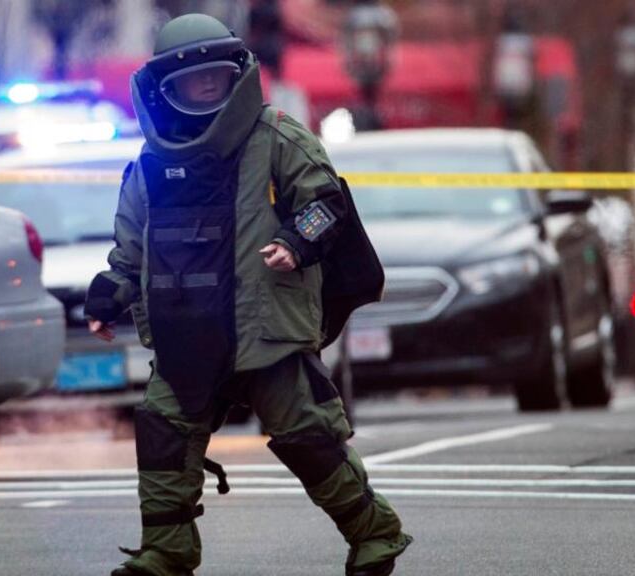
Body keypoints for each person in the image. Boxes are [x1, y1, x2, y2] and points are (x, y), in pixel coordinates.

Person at [84, 13, 412, 576]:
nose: (207, 86)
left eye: (216, 75)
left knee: (310, 439)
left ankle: (375, 534)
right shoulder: (148, 165)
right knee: (163, 439)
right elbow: (131, 247)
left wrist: (295, 243)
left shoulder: (278, 136)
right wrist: (109, 296)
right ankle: (166, 551)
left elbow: (325, 205)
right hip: (186, 334)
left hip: (267, 330)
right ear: (169, 90)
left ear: (236, 74)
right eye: (195, 80)